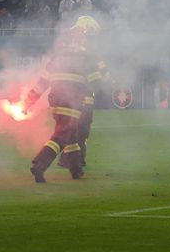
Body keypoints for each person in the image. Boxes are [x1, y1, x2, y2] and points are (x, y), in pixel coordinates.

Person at [23, 16, 104, 182]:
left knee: (71, 135)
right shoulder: (86, 57)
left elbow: (42, 82)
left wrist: (28, 102)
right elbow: (96, 83)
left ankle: (76, 170)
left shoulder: (58, 56)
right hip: (71, 102)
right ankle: (39, 165)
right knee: (61, 136)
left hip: (55, 102)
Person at [58, 16, 108, 174]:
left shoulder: (73, 49)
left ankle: (74, 159)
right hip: (82, 99)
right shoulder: (87, 53)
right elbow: (100, 74)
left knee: (75, 130)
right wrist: (106, 79)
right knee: (80, 130)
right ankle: (72, 160)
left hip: (71, 98)